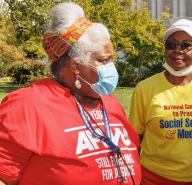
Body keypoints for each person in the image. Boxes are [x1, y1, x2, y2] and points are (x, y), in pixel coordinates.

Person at [0, 3, 141, 185]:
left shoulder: (111, 104)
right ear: (75, 66)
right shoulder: (27, 105)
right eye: (103, 61)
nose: (111, 68)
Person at [129, 19, 192, 185]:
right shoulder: (144, 89)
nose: (178, 50)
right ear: (165, 50)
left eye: (186, 45)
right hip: (154, 179)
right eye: (171, 44)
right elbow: (134, 141)